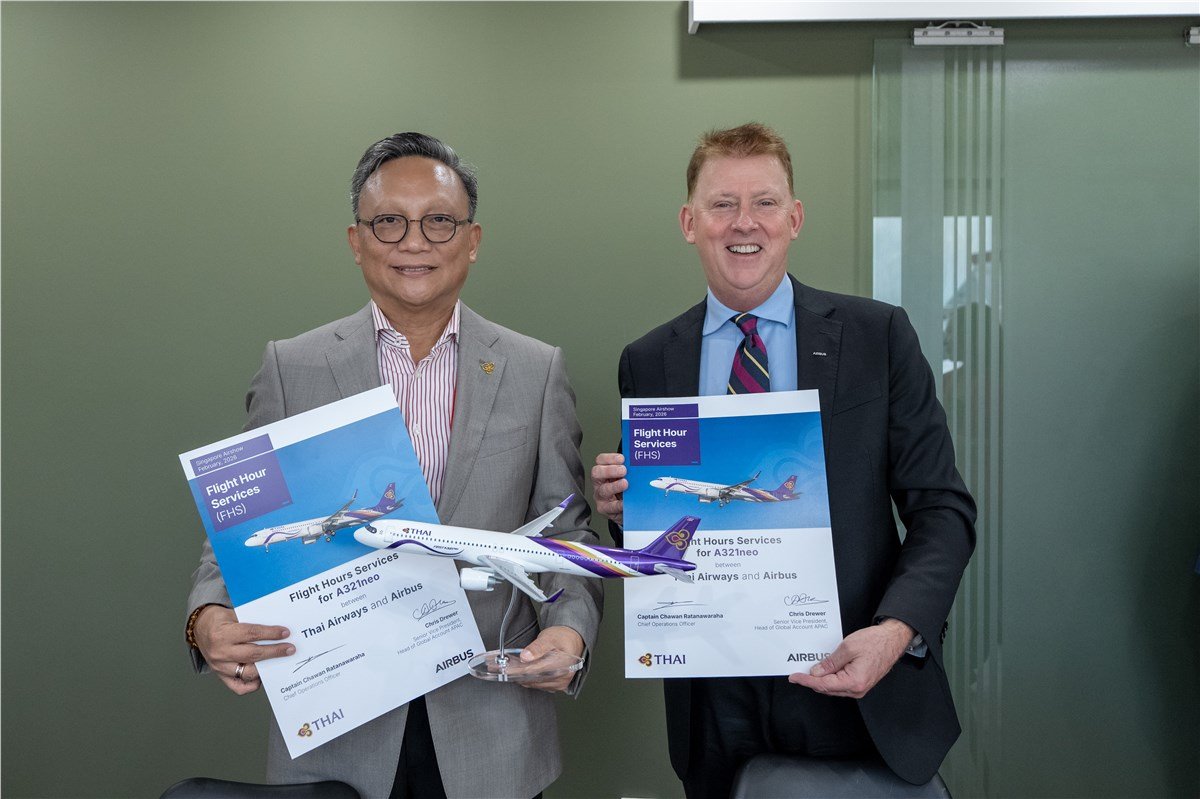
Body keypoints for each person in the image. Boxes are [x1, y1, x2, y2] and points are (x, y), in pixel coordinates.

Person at [185, 132, 602, 799]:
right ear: (356, 241)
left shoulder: (535, 370)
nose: (414, 242)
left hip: (493, 729)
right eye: (389, 222)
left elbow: (565, 533)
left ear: (472, 239)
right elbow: (241, 528)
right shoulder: (292, 367)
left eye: (439, 221)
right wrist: (207, 616)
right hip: (337, 729)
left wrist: (569, 631)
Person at [592, 122, 975, 799]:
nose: (745, 223)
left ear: (794, 218)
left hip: (855, 677)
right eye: (722, 204)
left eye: (764, 202)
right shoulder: (649, 360)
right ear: (689, 223)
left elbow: (943, 510)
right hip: (714, 693)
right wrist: (623, 511)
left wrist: (895, 632)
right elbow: (657, 541)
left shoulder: (878, 337)